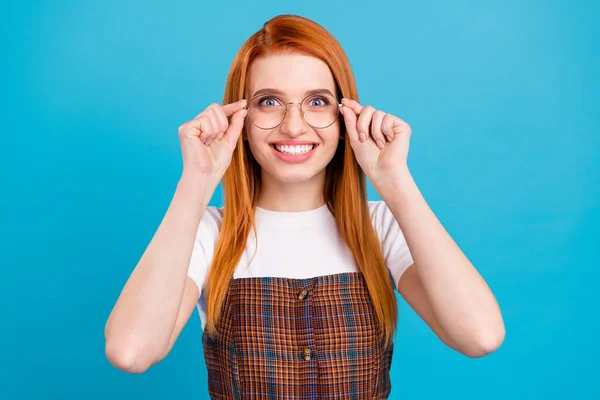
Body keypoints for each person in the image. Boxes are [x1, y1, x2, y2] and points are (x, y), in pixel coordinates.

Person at [104, 14, 505, 398]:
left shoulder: (379, 225)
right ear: (238, 119)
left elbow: (479, 336)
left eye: (317, 102)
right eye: (268, 102)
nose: (294, 126)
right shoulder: (210, 233)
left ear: (346, 115)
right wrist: (196, 180)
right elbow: (131, 352)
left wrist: (394, 179)